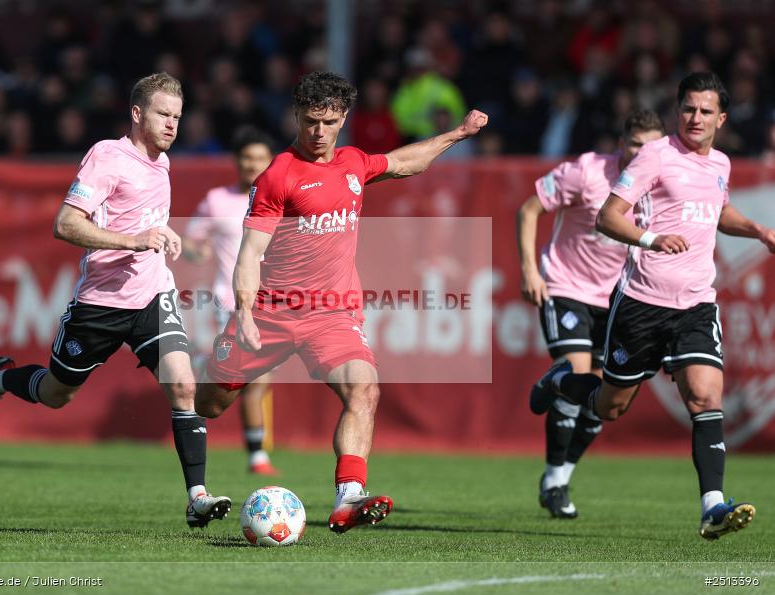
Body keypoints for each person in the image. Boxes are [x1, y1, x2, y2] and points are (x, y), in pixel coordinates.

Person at [194, 71, 488, 534]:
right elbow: (250, 253)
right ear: (296, 116)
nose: (318, 132)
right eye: (310, 121)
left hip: (332, 313)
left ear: (343, 119)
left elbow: (404, 162)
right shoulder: (278, 175)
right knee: (209, 404)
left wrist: (457, 134)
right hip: (271, 311)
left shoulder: (352, 162)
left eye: (329, 122)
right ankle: (197, 371)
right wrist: (246, 313)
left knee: (364, 389)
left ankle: (348, 497)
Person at [0, 72, 231, 529]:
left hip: (153, 295)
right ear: (136, 114)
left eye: (177, 117)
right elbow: (66, 225)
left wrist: (160, 234)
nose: (172, 125)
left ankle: (197, 497)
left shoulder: (162, 162)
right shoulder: (107, 157)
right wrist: (134, 239)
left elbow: (144, 219)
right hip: (100, 303)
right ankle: (3, 379)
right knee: (57, 394)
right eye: (163, 115)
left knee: (184, 386)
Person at [531, 72, 775, 540]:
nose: (695, 118)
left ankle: (712, 507)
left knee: (705, 397)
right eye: (688, 108)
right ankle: (563, 379)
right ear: (676, 111)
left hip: (696, 304)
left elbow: (718, 212)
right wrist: (652, 238)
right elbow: (608, 216)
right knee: (610, 407)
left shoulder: (721, 164)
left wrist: (758, 231)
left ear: (721, 118)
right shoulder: (655, 155)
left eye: (705, 111)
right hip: (641, 303)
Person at [517, 109, 664, 518]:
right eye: (635, 144)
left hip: (619, 298)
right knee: (579, 371)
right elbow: (529, 210)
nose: (641, 153)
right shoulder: (586, 172)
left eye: (650, 146)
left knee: (602, 401)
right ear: (621, 143)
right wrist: (530, 269)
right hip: (566, 287)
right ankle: (555, 474)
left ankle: (557, 478)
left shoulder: (663, 185)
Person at [182, 126, 279, 475]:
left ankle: (256, 453)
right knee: (250, 377)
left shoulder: (281, 198)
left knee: (257, 380)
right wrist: (195, 250)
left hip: (271, 302)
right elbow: (192, 241)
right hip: (229, 300)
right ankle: (256, 455)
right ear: (237, 162)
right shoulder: (217, 200)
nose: (253, 164)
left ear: (271, 162)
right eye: (247, 158)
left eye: (260, 158)